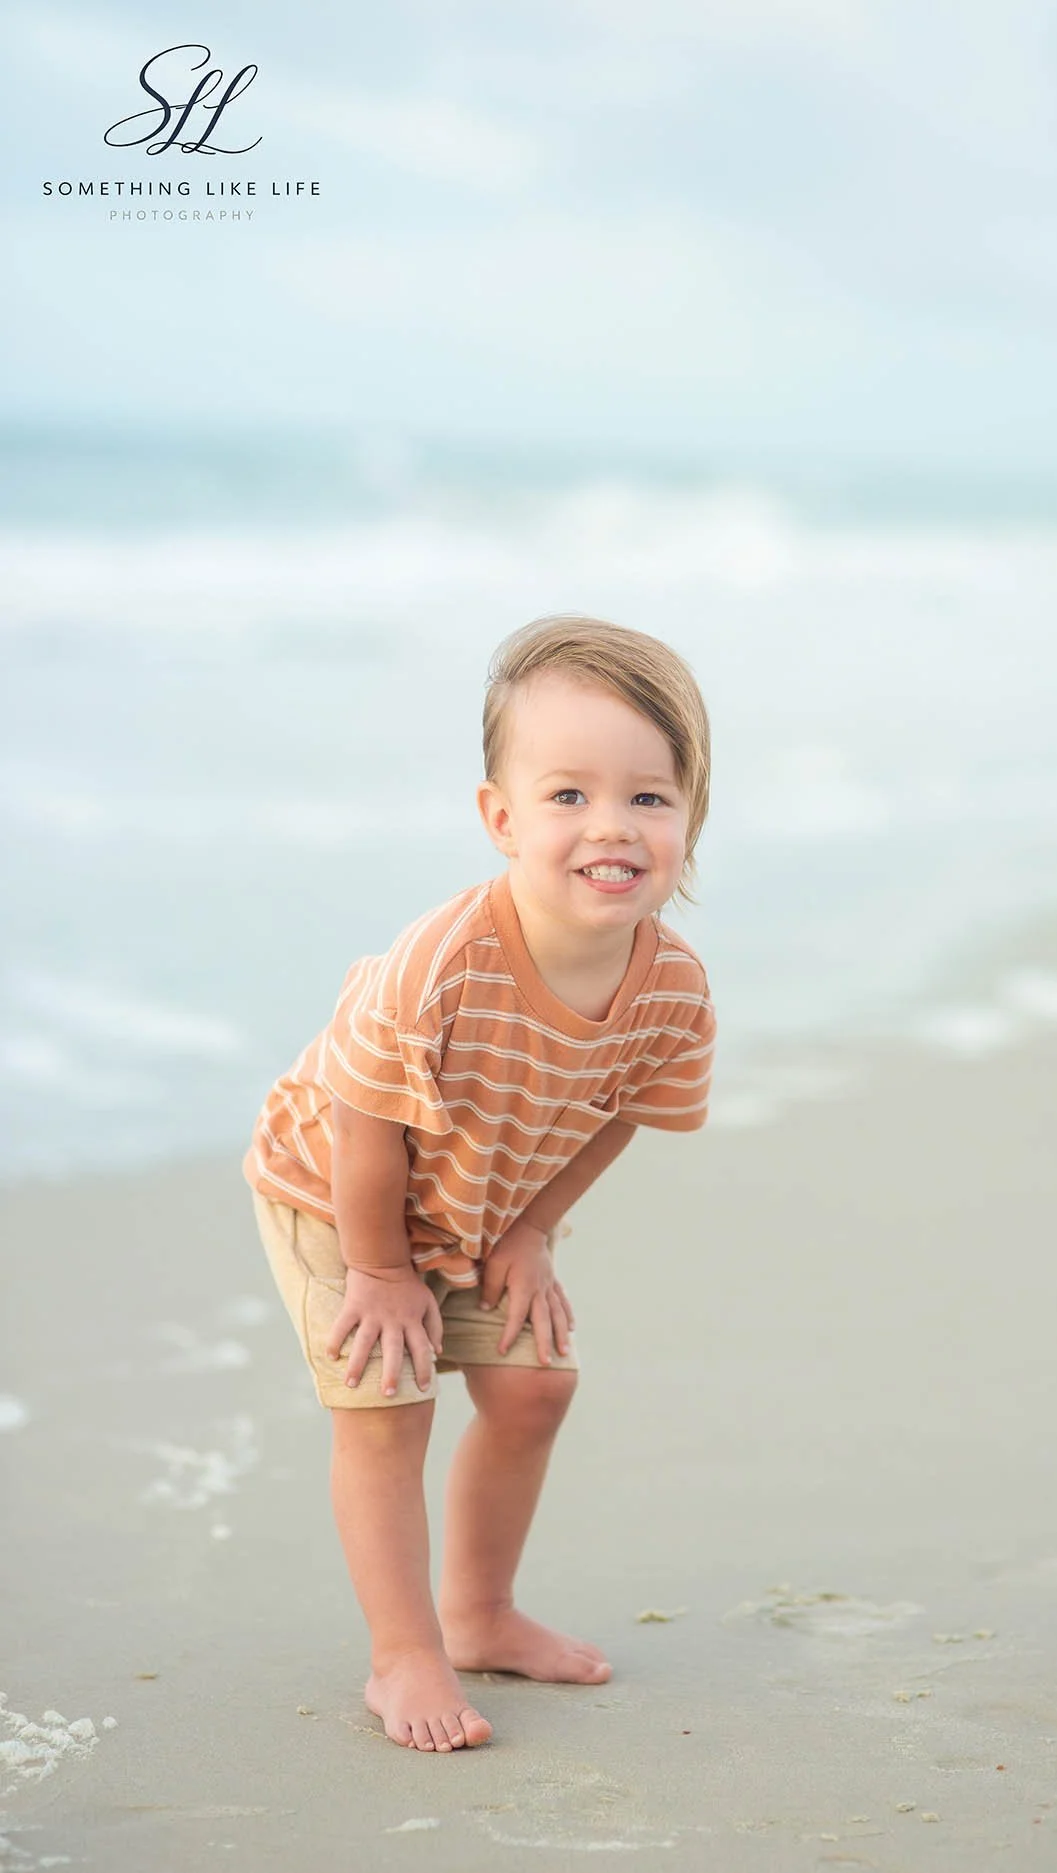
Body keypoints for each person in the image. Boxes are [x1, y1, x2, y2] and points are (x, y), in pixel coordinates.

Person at [243, 615, 717, 1749]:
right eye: (567, 796)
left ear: (690, 820)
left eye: (649, 798)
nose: (611, 826)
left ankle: (480, 1613)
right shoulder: (443, 962)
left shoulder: (673, 989)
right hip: (334, 1186)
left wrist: (534, 1230)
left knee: (533, 1389)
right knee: (388, 1404)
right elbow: (364, 1119)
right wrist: (379, 1269)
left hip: (482, 1199)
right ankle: (401, 1655)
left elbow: (621, 1116)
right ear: (500, 818)